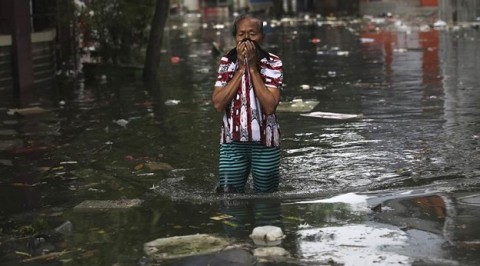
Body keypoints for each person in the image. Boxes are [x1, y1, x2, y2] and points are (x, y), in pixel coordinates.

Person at [211, 14, 283, 193]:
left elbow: (270, 106)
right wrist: (242, 68)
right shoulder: (227, 62)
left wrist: (251, 68)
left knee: (266, 200)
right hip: (231, 143)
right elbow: (218, 104)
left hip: (266, 143)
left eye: (252, 33)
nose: (246, 39)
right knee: (229, 198)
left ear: (262, 37)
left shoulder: (273, 63)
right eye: (241, 34)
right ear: (235, 37)